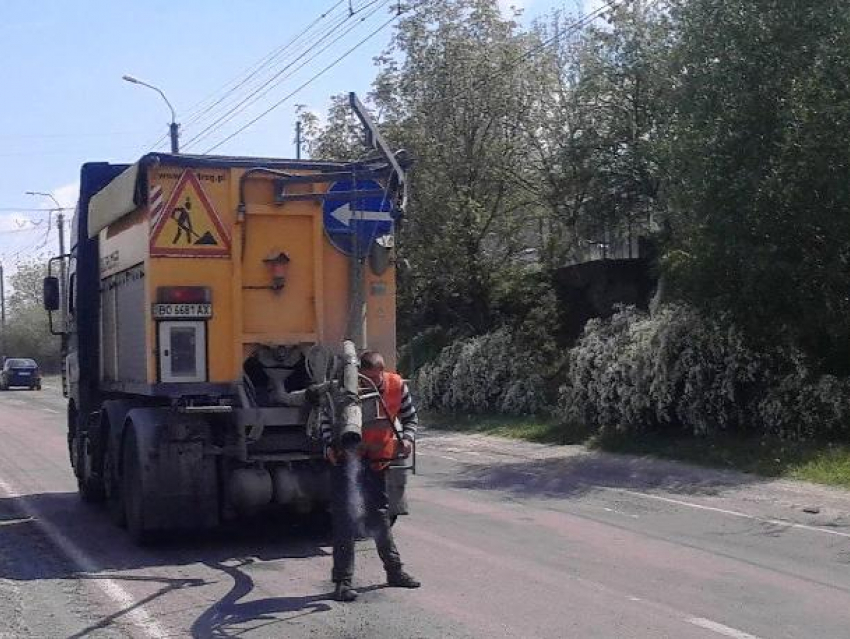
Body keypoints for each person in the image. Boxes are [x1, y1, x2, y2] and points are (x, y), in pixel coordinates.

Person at [321, 350, 421, 602]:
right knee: (345, 520)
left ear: (382, 372)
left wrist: (407, 439)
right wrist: (327, 446)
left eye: (375, 381)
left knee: (379, 517)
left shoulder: (397, 386)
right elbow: (324, 419)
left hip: (377, 462)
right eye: (364, 381)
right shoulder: (342, 389)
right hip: (345, 461)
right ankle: (342, 583)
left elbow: (410, 418)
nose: (370, 386)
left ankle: (395, 572)